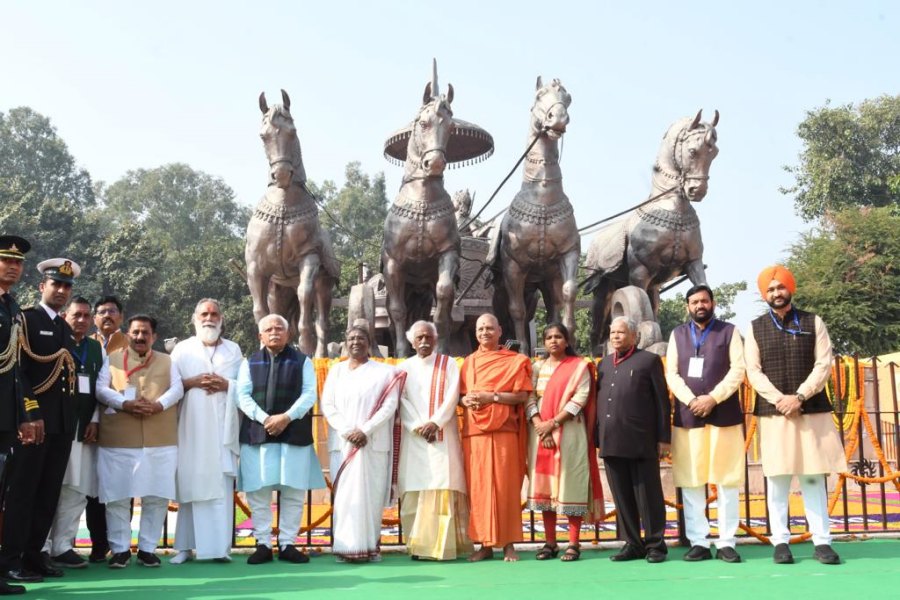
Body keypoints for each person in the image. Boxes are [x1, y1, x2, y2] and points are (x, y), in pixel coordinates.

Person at [745, 265, 847, 565]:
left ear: (791, 288)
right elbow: (753, 371)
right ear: (765, 294)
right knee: (778, 479)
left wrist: (799, 396)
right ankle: (780, 542)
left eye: (780, 287)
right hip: (775, 413)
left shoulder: (813, 322)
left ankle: (822, 541)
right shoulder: (754, 327)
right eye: (771, 289)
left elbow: (823, 364)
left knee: (813, 478)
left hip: (810, 409)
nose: (776, 292)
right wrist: (781, 400)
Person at [1, 258, 79, 584]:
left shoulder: (64, 328)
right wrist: (30, 413)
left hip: (60, 426)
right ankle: (11, 559)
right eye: (55, 284)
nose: (60, 290)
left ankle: (35, 555)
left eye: (66, 286)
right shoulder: (26, 320)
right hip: (33, 424)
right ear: (41, 287)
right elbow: (19, 372)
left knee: (48, 493)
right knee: (22, 493)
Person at [665, 285, 746, 563]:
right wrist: (691, 400)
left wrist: (712, 398)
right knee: (691, 481)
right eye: (694, 301)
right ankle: (699, 541)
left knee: (727, 481)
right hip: (689, 418)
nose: (700, 305)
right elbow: (672, 374)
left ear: (713, 303)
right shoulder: (677, 334)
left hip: (724, 416)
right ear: (687, 306)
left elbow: (739, 370)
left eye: (704, 300)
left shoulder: (730, 331)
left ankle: (726, 542)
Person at [235, 314, 325, 565]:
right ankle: (263, 543)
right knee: (259, 491)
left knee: (293, 491)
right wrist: (266, 419)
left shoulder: (302, 362)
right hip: (258, 433)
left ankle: (287, 544)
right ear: (260, 336)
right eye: (268, 329)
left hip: (293, 432)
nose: (274, 332)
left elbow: (309, 394)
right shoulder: (249, 362)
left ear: (288, 334)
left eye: (279, 329)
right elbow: (242, 396)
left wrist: (286, 417)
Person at [95, 314, 184, 569]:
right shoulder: (111, 359)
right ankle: (120, 550)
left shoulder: (168, 361)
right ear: (128, 334)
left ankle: (147, 549)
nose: (140, 337)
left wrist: (159, 405)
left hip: (160, 438)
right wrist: (125, 403)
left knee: (156, 495)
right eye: (135, 332)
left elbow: (177, 388)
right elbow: (101, 389)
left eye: (145, 332)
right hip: (119, 439)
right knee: (117, 497)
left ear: (154, 336)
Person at [321, 326, 405, 563]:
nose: (356, 342)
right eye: (351, 338)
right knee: (346, 499)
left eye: (361, 338)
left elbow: (389, 407)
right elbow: (328, 405)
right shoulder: (336, 371)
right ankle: (345, 548)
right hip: (344, 442)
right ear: (345, 343)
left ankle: (370, 547)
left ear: (369, 342)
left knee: (371, 497)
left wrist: (364, 430)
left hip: (372, 443)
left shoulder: (385, 373)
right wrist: (348, 431)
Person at [169, 299, 243, 564]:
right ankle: (185, 548)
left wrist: (226, 384)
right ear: (194, 318)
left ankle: (219, 549)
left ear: (221, 318)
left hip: (222, 429)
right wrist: (192, 382)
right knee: (191, 483)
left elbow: (243, 386)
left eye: (214, 313)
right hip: (191, 427)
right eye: (204, 314)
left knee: (220, 488)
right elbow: (171, 386)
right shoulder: (182, 349)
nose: (209, 318)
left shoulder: (233, 350)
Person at [526, 323, 604, 563]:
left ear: (567, 341)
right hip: (539, 434)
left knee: (570, 484)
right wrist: (541, 425)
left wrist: (552, 424)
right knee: (545, 489)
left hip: (569, 432)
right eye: (549, 337)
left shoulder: (579, 367)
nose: (553, 341)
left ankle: (573, 543)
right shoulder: (536, 367)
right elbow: (528, 397)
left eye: (558, 337)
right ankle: (550, 543)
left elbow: (580, 399)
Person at [597, 316, 671, 563]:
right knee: (621, 495)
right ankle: (633, 543)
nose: (616, 337)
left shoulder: (648, 361)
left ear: (633, 336)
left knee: (648, 495)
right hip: (611, 440)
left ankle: (655, 545)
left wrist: (663, 438)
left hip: (641, 440)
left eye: (621, 332)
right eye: (613, 333)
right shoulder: (605, 364)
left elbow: (662, 403)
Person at [459, 313, 532, 562]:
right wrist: (465, 400)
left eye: (490, 328)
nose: (485, 332)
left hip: (504, 431)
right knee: (478, 489)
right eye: (480, 329)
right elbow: (462, 395)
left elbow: (522, 396)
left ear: (500, 331)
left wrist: (493, 397)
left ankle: (509, 543)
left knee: (506, 487)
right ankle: (485, 544)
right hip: (475, 434)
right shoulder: (468, 363)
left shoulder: (514, 361)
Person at [396, 321, 471, 561]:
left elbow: (452, 396)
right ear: (412, 341)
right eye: (420, 338)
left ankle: (442, 547)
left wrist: (435, 423)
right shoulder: (403, 367)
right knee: (414, 490)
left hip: (442, 435)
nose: (425, 341)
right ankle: (416, 546)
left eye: (429, 337)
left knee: (442, 486)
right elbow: (401, 400)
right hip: (414, 435)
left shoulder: (448, 364)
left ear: (436, 339)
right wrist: (419, 425)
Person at [44, 297, 103, 569]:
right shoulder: (54, 340)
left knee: (76, 490)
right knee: (48, 486)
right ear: (66, 316)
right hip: (55, 429)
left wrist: (95, 419)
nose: (81, 320)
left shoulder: (95, 348)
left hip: (83, 430)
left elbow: (100, 389)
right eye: (76, 315)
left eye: (86, 316)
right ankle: (41, 546)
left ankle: (62, 545)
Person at [0, 235, 40, 596]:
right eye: (5, 260)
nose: (13, 266)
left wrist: (25, 414)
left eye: (18, 263)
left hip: (5, 419)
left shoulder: (11, 306)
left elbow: (14, 369)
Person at [84, 295, 125, 562]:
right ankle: (99, 543)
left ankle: (120, 545)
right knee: (92, 487)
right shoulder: (85, 344)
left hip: (121, 424)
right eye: (101, 312)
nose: (106, 316)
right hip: (88, 425)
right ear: (94, 318)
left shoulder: (131, 344)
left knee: (121, 487)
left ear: (121, 316)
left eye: (112, 311)